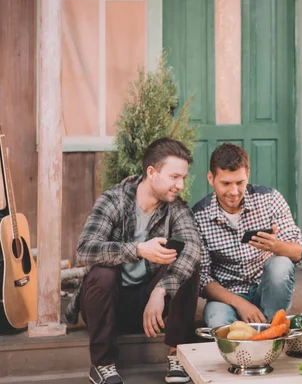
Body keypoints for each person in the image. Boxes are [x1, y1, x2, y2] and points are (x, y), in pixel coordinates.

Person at [65, 138, 202, 384]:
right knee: (102, 274)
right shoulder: (114, 200)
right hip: (110, 305)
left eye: (182, 177)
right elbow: (85, 250)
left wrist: (161, 290)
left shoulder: (176, 209)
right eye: (174, 177)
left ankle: (177, 355)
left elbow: (192, 248)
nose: (180, 185)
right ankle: (102, 364)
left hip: (151, 307)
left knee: (188, 265)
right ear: (151, 172)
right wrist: (138, 249)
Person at [192, 143, 302, 328]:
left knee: (281, 263)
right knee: (216, 319)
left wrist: (276, 247)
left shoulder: (270, 199)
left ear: (248, 175)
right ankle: (245, 338)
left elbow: (299, 252)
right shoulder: (198, 216)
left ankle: (271, 329)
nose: (234, 191)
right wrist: (242, 304)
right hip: (227, 296)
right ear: (211, 178)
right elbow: (203, 280)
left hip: (266, 289)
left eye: (240, 182)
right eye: (226, 183)